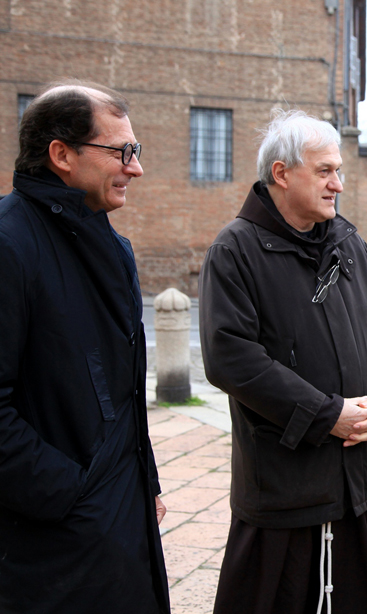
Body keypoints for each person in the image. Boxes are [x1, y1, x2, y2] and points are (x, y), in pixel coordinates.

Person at [199, 110, 367, 614]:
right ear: (281, 173)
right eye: (324, 171)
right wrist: (325, 415)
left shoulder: (350, 243)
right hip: (284, 487)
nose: (337, 184)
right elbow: (230, 357)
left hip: (360, 480)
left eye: (339, 171)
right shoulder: (234, 251)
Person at [0, 81, 169, 613]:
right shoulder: (8, 246)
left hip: (118, 520)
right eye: (121, 152)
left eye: (135, 152)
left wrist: (146, 481)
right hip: (49, 542)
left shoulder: (113, 247)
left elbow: (119, 389)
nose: (135, 168)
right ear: (61, 155)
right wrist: (70, 494)